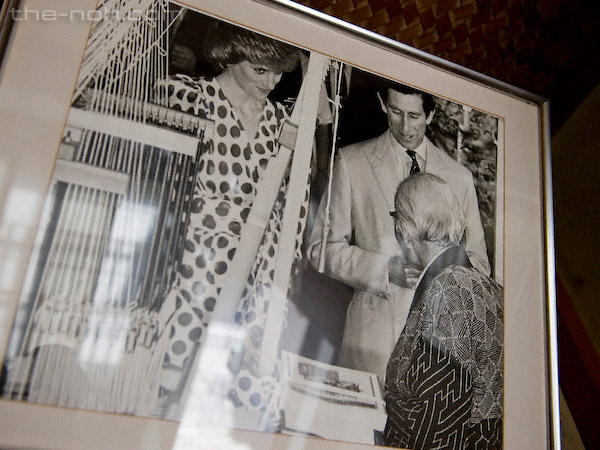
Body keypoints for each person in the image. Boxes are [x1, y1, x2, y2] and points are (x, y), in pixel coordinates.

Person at [154, 21, 303, 418]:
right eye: (259, 70)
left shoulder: (281, 124)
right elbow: (157, 188)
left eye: (278, 72)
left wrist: (276, 290)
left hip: (252, 280)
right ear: (230, 53)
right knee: (166, 383)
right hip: (189, 269)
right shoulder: (185, 97)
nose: (271, 81)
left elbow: (290, 213)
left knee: (228, 399)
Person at [307, 81, 490, 383]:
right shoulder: (352, 162)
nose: (405, 126)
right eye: (396, 112)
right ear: (383, 104)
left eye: (415, 116)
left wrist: (441, 273)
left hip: (438, 349)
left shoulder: (459, 178)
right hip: (371, 343)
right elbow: (320, 248)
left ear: (430, 115)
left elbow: (479, 265)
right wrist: (382, 269)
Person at [384, 173, 503, 449]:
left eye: (395, 217)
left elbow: (439, 422)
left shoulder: (447, 290)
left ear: (405, 228)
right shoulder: (486, 286)